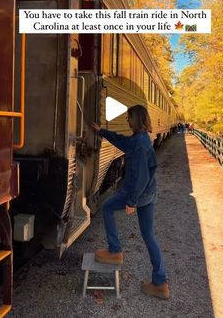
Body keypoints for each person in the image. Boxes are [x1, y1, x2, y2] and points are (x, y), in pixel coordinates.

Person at [91, 105, 170, 300]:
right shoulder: (140, 139)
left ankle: (115, 251)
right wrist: (102, 132)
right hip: (149, 193)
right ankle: (160, 283)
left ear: (135, 119)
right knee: (148, 235)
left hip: (139, 193)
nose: (127, 120)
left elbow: (141, 177)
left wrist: (132, 202)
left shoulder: (140, 144)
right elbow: (123, 141)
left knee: (107, 208)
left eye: (128, 117)